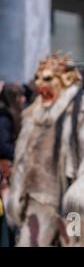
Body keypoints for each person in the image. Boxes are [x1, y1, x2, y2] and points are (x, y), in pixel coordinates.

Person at [7, 54, 84, 246]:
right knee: (30, 242)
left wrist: (82, 191)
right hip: (38, 196)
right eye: (38, 78)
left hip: (71, 203)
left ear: (65, 79)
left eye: (48, 78)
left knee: (74, 242)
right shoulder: (35, 113)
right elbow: (24, 154)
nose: (40, 83)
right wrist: (18, 186)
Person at [0, 83, 24, 247]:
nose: (22, 99)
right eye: (18, 96)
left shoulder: (12, 116)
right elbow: (3, 146)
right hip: (6, 171)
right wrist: (21, 152)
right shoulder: (4, 118)